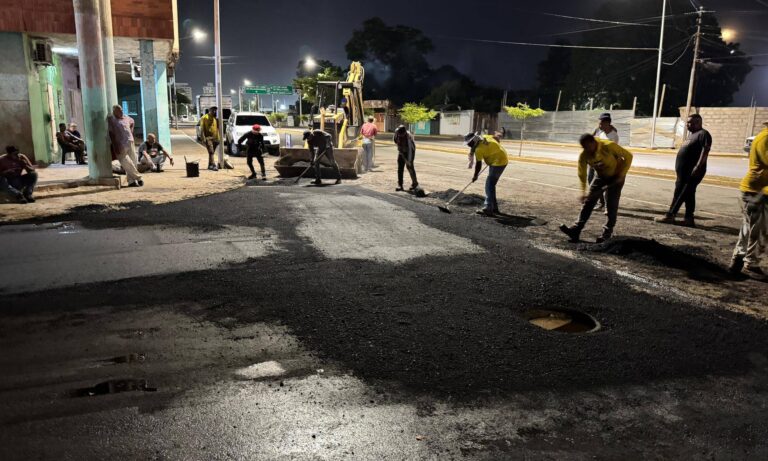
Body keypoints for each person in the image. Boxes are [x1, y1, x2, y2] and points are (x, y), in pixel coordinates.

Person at [560, 133, 633, 243]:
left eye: (588, 147)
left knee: (611, 204)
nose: (586, 150)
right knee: (589, 202)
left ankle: (606, 234)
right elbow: (582, 174)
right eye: (584, 147)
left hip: (616, 176)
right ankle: (576, 230)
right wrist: (583, 191)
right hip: (600, 176)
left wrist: (621, 174)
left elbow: (629, 156)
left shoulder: (609, 146)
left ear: (593, 142)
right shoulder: (584, 155)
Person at [654, 114, 711, 227]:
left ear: (698, 122)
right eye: (687, 122)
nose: (688, 124)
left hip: (693, 172)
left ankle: (670, 215)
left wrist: (698, 167)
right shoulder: (692, 135)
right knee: (689, 194)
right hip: (683, 173)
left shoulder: (703, 134)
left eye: (690, 122)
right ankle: (689, 219)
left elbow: (705, 151)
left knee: (680, 193)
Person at [729, 122, 768, 279]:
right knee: (760, 231)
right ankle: (750, 264)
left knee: (749, 228)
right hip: (757, 191)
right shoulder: (765, 137)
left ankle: (738, 259)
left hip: (757, 190)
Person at [465, 131, 509, 216]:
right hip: (499, 158)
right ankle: (494, 207)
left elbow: (478, 165)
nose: (468, 145)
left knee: (489, 184)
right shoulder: (485, 137)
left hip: (499, 162)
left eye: (469, 143)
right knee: (491, 184)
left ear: (474, 141)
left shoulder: (479, 150)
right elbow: (496, 137)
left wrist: (475, 176)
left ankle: (488, 207)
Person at [589, 113, 620, 211]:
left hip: (604, 163)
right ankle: (601, 202)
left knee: (603, 185)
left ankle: (604, 204)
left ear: (607, 123)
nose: (599, 125)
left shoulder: (613, 135)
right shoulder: (600, 131)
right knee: (591, 180)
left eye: (601, 123)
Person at [107, 105, 143, 187]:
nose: (121, 111)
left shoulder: (126, 117)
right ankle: (138, 177)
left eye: (121, 110)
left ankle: (131, 182)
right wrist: (115, 145)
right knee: (126, 162)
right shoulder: (112, 119)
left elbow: (132, 121)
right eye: (119, 110)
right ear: (114, 111)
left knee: (133, 160)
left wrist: (131, 131)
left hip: (130, 141)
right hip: (120, 143)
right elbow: (111, 133)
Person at [393, 125, 418, 192]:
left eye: (402, 134)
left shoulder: (408, 137)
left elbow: (410, 150)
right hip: (401, 152)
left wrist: (409, 161)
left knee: (410, 167)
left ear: (405, 133)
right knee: (400, 169)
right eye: (399, 134)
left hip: (409, 151)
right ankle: (400, 185)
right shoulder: (397, 133)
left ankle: (415, 183)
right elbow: (395, 141)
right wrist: (401, 151)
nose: (400, 135)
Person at [199, 106, 220, 171]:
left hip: (216, 138)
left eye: (215, 110)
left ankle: (210, 165)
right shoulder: (204, 118)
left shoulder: (215, 118)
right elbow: (202, 129)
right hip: (208, 138)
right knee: (211, 152)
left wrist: (218, 138)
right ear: (209, 110)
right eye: (212, 110)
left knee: (212, 153)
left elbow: (217, 128)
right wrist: (203, 138)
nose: (214, 111)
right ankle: (213, 165)